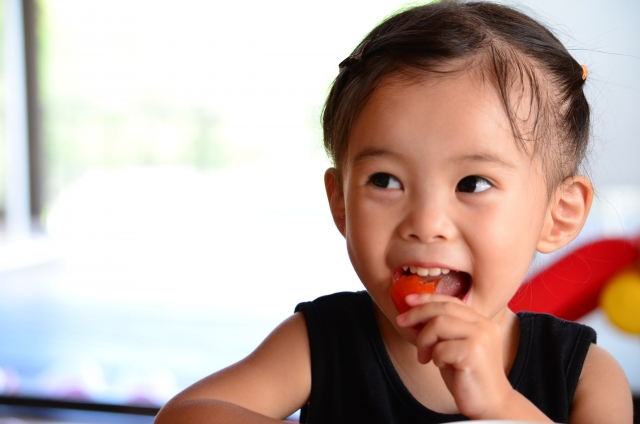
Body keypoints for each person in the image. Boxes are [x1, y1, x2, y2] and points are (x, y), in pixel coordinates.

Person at [155, 1, 633, 423]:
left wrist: (501, 406)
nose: (425, 222)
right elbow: (182, 417)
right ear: (340, 202)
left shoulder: (585, 373)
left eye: (473, 183)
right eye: (385, 181)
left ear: (559, 213)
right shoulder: (319, 344)